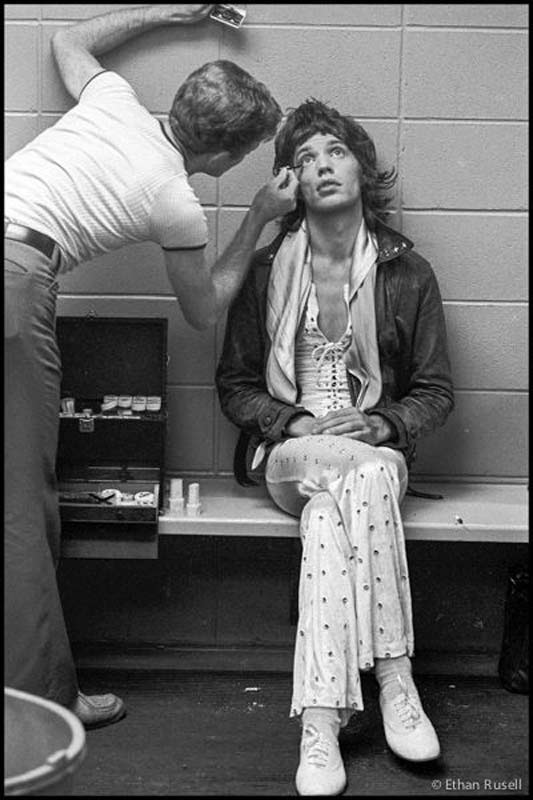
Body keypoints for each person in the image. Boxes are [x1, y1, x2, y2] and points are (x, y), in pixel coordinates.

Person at [4, 3, 298, 730]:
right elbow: (207, 309)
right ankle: (44, 702)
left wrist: (175, 11)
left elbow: (68, 39)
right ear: (228, 157)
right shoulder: (175, 199)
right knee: (18, 506)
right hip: (12, 282)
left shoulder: (114, 101)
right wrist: (258, 216)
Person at [216, 99, 454, 795]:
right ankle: (394, 678)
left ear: (363, 166)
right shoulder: (265, 271)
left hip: (368, 460)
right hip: (290, 456)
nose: (321, 166)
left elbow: (433, 393)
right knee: (361, 481)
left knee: (334, 513)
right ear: (292, 182)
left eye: (334, 152)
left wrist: (378, 425)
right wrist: (290, 421)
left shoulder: (407, 274)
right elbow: (234, 385)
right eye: (304, 159)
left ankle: (319, 723)